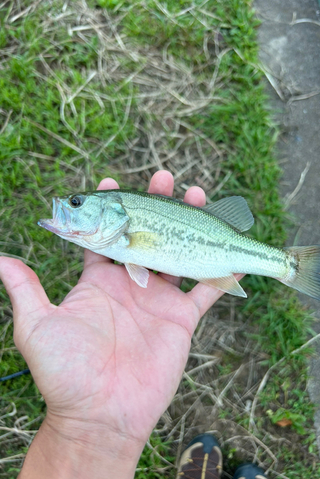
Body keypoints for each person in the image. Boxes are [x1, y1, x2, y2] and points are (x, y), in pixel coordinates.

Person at [0, 171, 267, 479]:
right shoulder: (117, 239)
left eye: (76, 203)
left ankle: (286, 266)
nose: (66, 205)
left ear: (114, 213)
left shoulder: (121, 236)